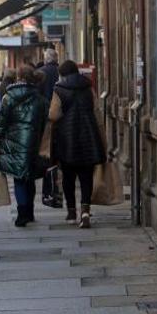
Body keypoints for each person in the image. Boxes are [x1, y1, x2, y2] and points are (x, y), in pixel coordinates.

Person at [49, 60, 106, 228]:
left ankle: (71, 212)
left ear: (63, 74)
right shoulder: (88, 88)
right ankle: (86, 211)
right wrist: (103, 139)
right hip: (88, 136)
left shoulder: (59, 89)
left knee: (68, 177)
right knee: (86, 176)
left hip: (67, 139)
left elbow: (53, 114)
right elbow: (96, 113)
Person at [0, 66, 48, 227]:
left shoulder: (8, 97)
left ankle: (22, 214)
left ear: (18, 78)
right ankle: (29, 211)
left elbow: (0, 124)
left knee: (19, 178)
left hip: (14, 143)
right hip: (34, 143)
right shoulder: (40, 99)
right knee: (29, 177)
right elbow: (46, 124)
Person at [38, 48, 62, 207]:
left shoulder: (40, 74)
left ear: (45, 59)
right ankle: (58, 188)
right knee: (60, 155)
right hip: (61, 118)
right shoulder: (61, 72)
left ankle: (49, 189)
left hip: (45, 120)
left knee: (47, 155)